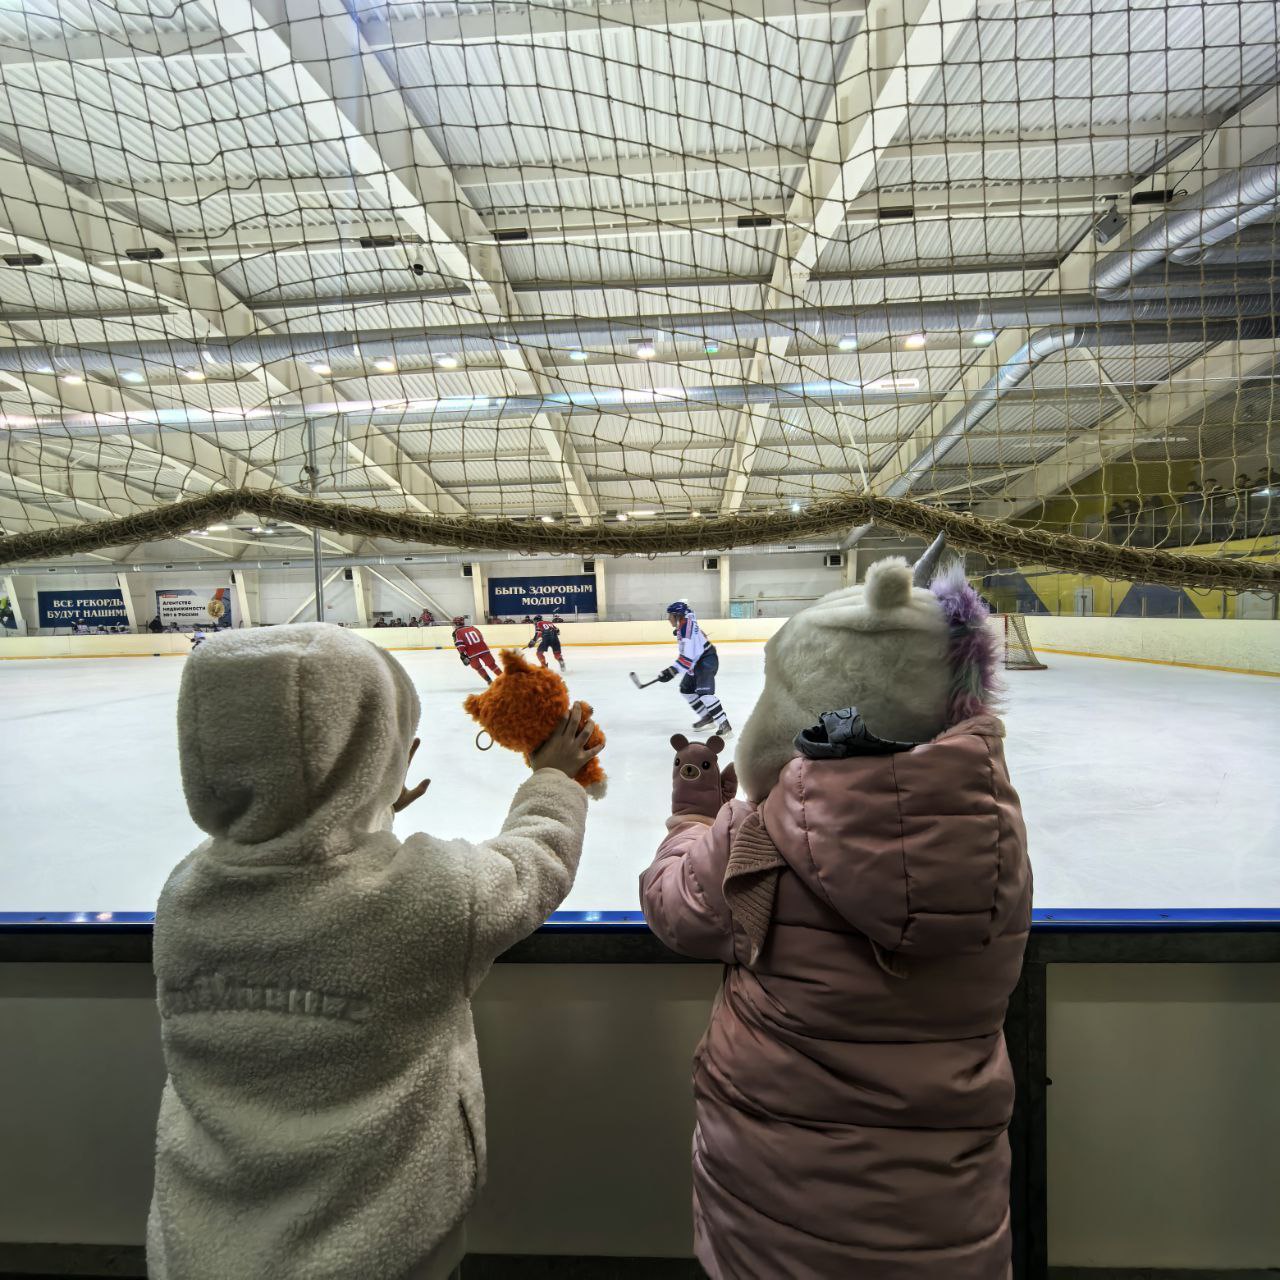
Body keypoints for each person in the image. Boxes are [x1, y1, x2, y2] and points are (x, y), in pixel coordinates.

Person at [148, 624, 599, 1280]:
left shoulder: (185, 894)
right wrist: (554, 778)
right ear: (382, 758)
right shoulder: (431, 893)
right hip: (381, 1244)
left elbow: (303, 853)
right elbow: (536, 862)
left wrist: (366, 808)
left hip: (201, 1238)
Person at [640, 540, 1031, 1280]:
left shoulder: (756, 831)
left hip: (774, 1207)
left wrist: (693, 822)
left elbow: (676, 910)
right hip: (946, 1215)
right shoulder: (995, 837)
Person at [650, 600, 730, 737]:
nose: (668, 618)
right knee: (686, 689)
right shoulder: (686, 620)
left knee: (704, 694)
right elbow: (691, 613)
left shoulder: (686, 633)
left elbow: (686, 658)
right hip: (697, 661)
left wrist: (671, 671)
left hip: (706, 661)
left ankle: (724, 725)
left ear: (678, 616)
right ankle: (707, 717)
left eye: (670, 616)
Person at [452, 616, 500, 684]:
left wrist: (462, 654)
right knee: (492, 665)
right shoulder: (473, 628)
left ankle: (490, 682)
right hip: (484, 649)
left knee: (478, 668)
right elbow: (481, 637)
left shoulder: (457, 632)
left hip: (471, 653)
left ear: (456, 624)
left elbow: (460, 645)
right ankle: (505, 679)